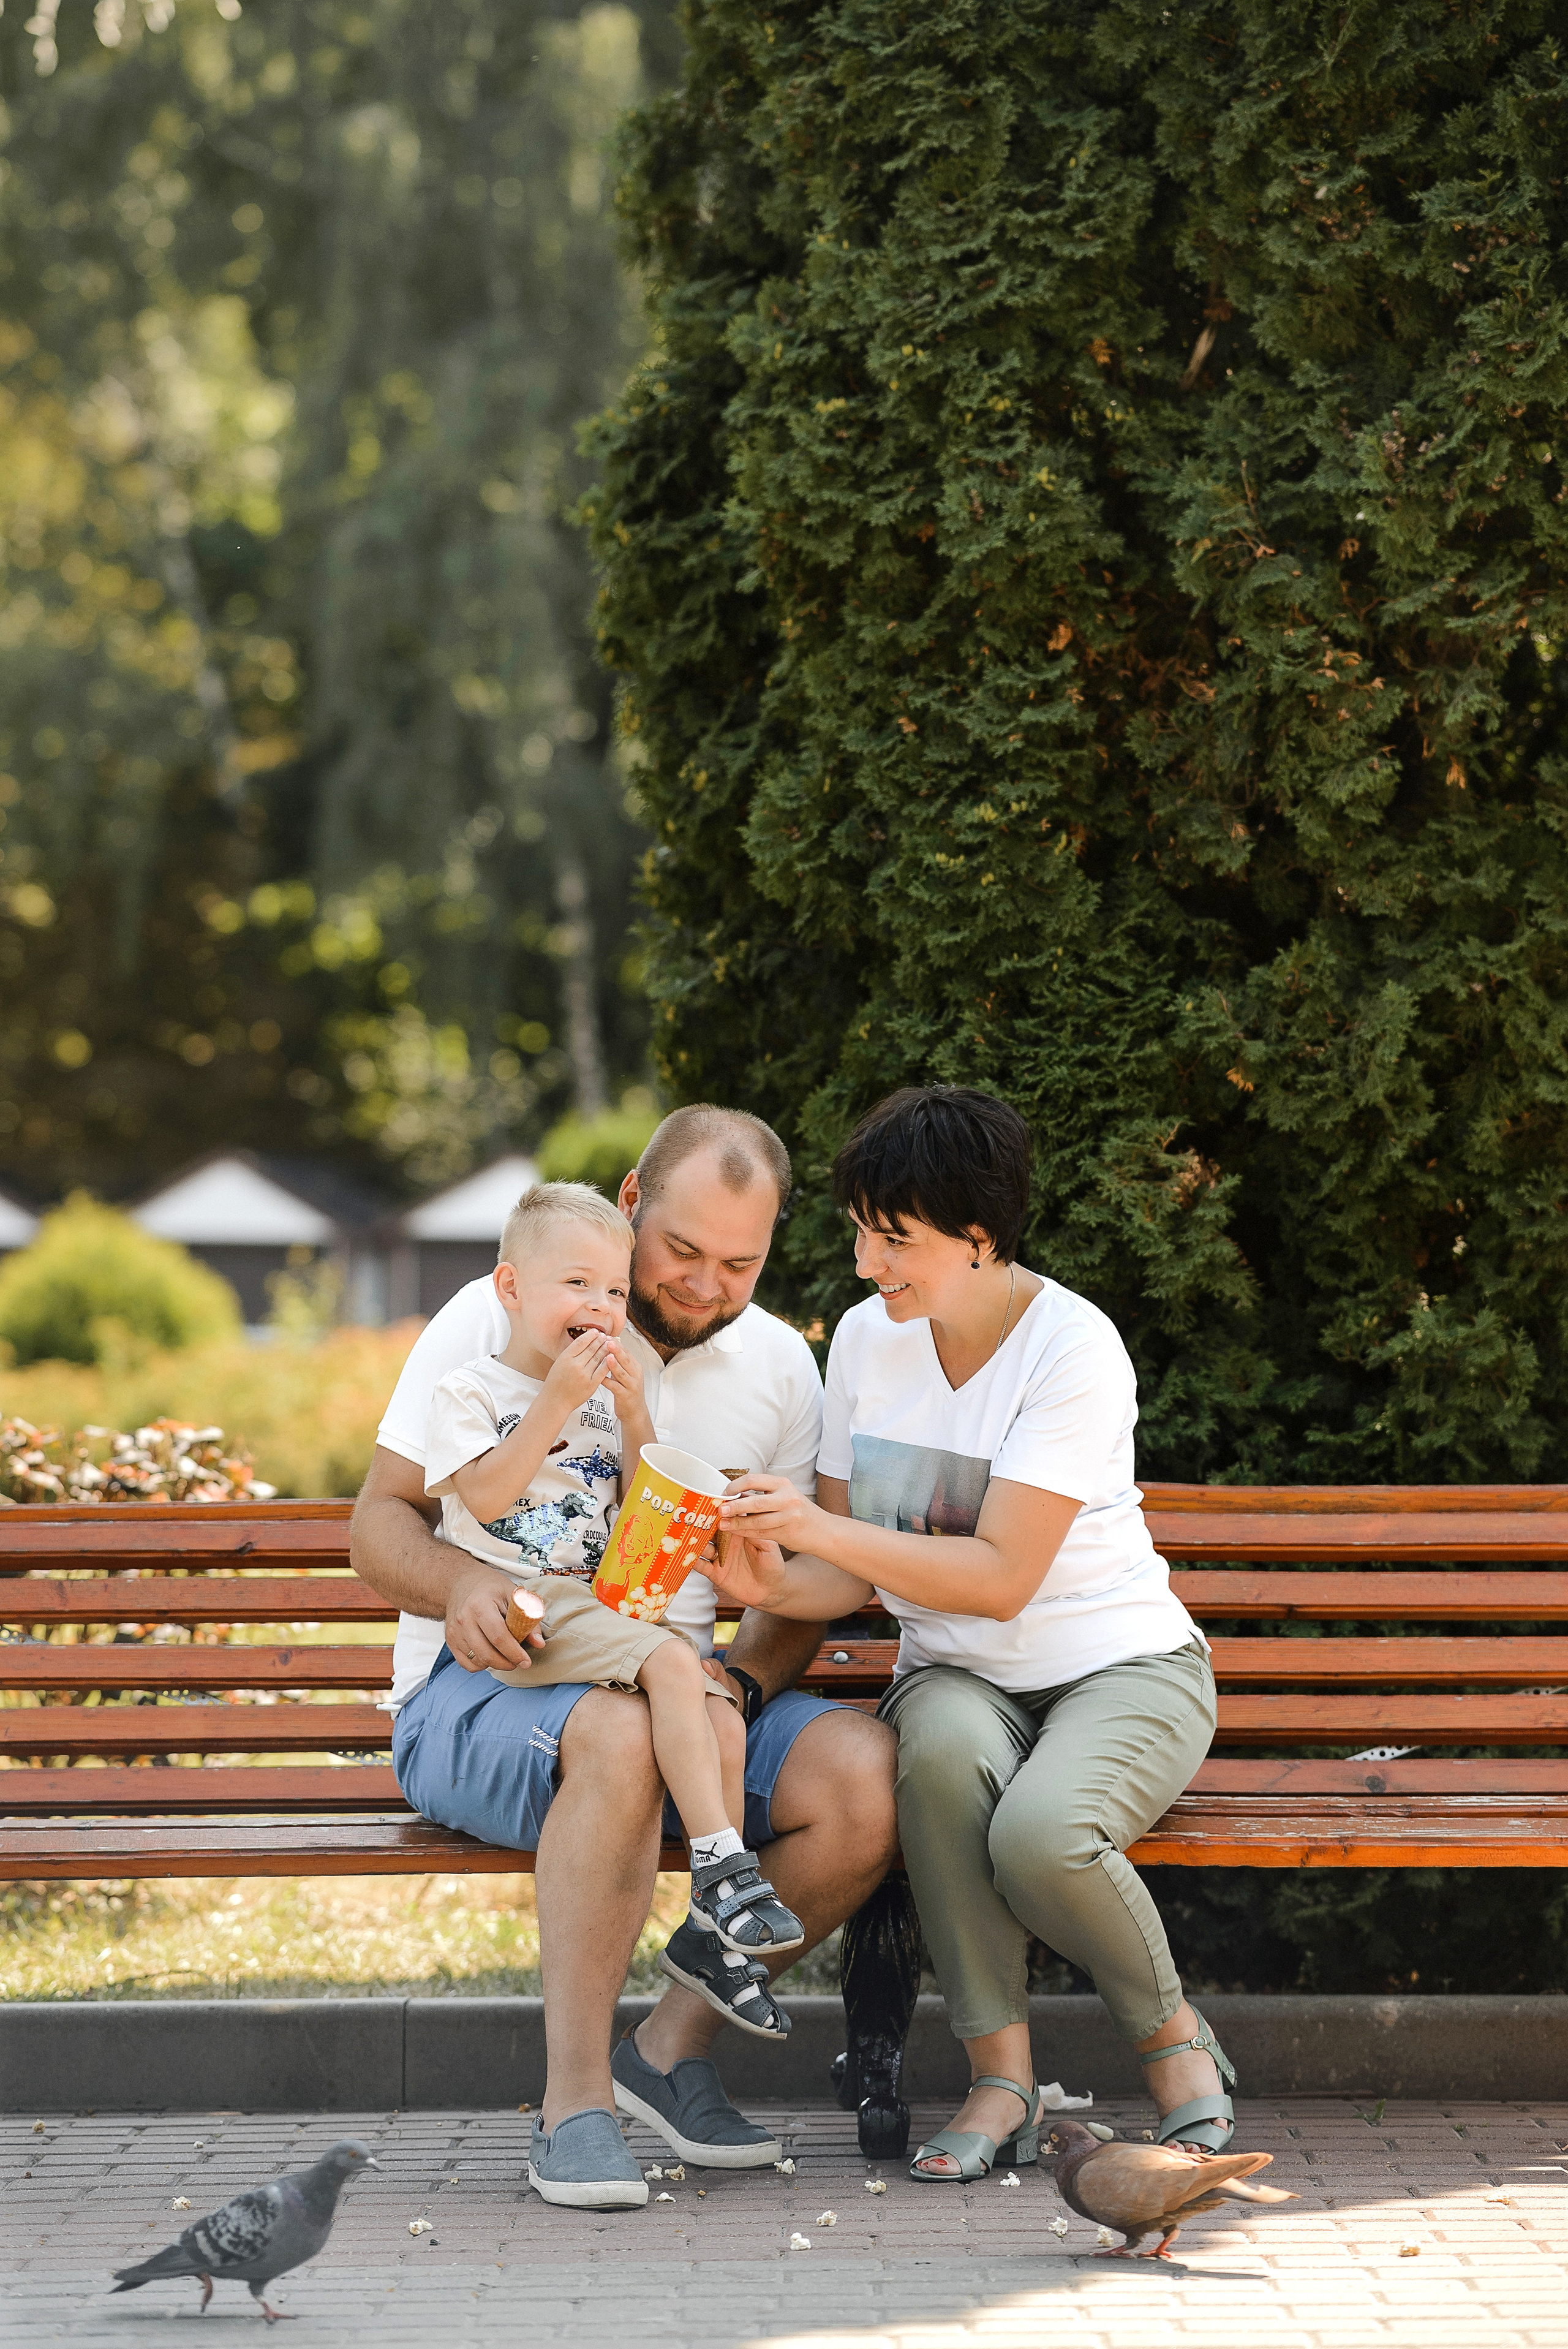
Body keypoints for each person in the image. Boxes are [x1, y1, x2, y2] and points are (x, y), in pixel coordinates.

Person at [351, 1105, 898, 2210]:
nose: (704, 1285)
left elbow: (801, 1582)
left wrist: (738, 1679)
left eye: (739, 1262)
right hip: (488, 1684)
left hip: (677, 1682)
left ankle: (670, 2046)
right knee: (617, 1727)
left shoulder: (786, 1366)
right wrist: (461, 1584)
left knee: (865, 1782)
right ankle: (576, 2106)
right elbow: (379, 1522)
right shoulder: (503, 1312)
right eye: (684, 1251)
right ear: (633, 1204)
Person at [712, 1085, 1233, 2184]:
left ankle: (1175, 2042)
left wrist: (818, 1525)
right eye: (861, 1229)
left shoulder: (1071, 1350)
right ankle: (1001, 2083)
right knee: (938, 1760)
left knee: (1041, 1835)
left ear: (983, 1239)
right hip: (956, 1676)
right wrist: (757, 1567)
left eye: (895, 1239)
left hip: (1122, 1665)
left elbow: (1001, 1577)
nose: (865, 1263)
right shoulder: (867, 1339)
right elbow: (842, 1564)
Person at [424, 1179, 805, 2059]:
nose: (600, 1307)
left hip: (599, 1607)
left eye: (611, 1290)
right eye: (576, 1286)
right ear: (512, 1289)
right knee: (677, 1664)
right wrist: (554, 1401)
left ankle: (720, 1930)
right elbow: (482, 1494)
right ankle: (724, 1868)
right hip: (525, 1605)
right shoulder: (473, 1391)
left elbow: (638, 1506)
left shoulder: (601, 1401)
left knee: (714, 1705)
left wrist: (632, 1413)